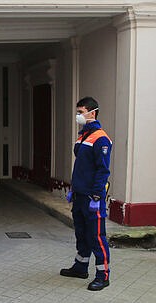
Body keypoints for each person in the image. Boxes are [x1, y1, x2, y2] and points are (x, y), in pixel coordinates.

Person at [61, 97, 112, 291]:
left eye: (81, 112)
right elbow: (81, 167)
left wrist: (97, 196)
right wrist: (74, 190)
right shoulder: (83, 136)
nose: (78, 115)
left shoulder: (101, 138)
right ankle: (81, 267)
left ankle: (103, 275)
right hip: (80, 195)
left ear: (93, 113)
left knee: (97, 236)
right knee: (81, 234)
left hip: (92, 197)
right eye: (78, 112)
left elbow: (102, 170)